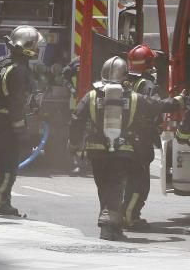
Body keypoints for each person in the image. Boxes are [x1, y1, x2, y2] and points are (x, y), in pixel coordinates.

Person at [70, 56, 185, 240]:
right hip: (122, 150)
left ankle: (111, 224)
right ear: (125, 76)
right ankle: (109, 225)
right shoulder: (133, 97)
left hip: (96, 151)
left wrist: (74, 144)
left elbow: (76, 120)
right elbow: (158, 106)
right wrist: (178, 100)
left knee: (104, 187)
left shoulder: (91, 95)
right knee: (116, 186)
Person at [0, 25, 41, 216]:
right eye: (35, 46)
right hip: (7, 123)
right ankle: (0, 203)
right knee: (9, 164)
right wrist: (20, 128)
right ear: (27, 47)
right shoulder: (18, 70)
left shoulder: (4, 63)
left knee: (2, 163)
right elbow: (16, 101)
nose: (37, 50)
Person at [123, 44, 163, 230]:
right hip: (141, 138)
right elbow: (155, 107)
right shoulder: (147, 84)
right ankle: (130, 216)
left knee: (128, 178)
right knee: (140, 182)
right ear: (147, 63)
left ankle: (125, 214)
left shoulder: (127, 81)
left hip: (127, 138)